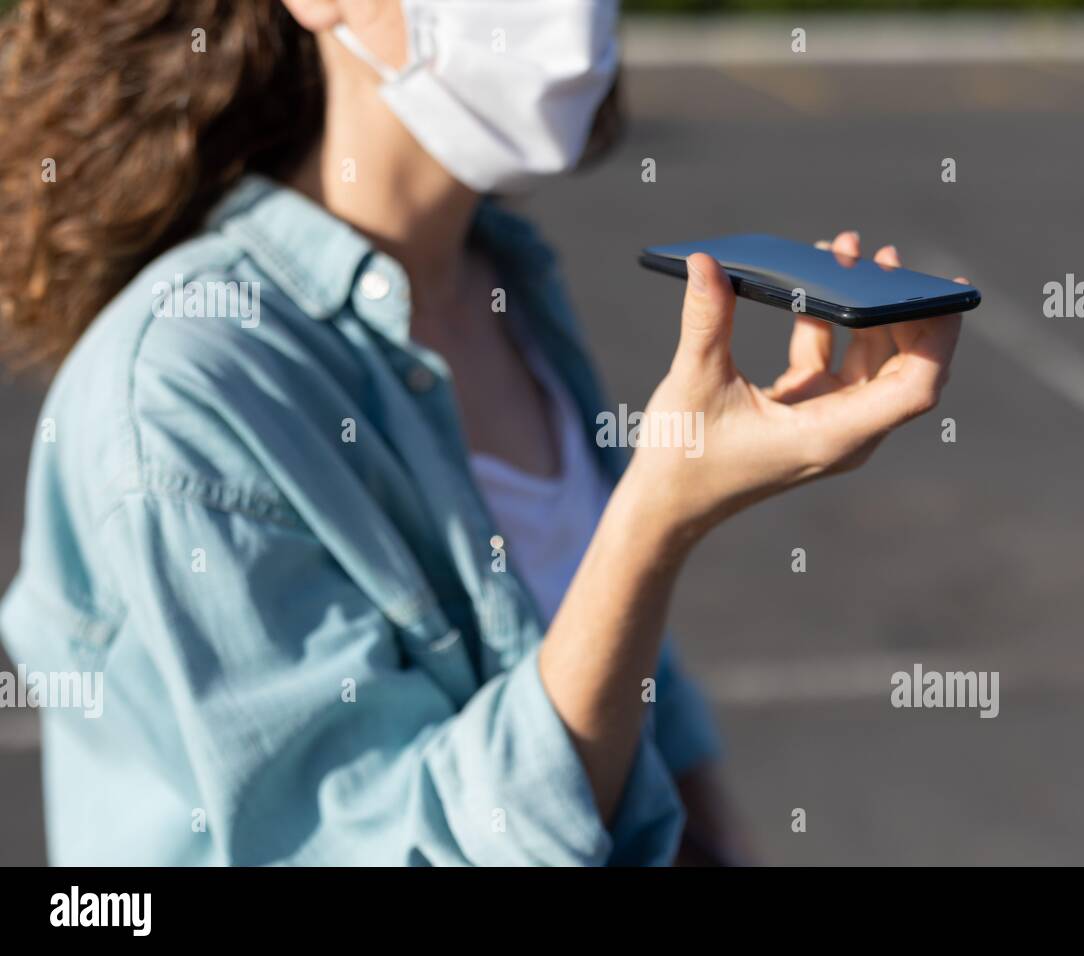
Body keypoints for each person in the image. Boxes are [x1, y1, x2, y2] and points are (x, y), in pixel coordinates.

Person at [0, 0, 963, 866]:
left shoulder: (504, 286)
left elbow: (639, 688)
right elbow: (377, 846)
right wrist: (656, 524)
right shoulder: (181, 390)